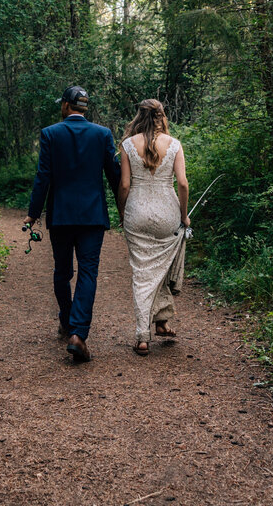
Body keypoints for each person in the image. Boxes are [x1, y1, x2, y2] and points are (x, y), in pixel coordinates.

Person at [25, 85, 121, 363]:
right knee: (88, 272)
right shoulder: (102, 134)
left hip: (62, 215)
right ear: (84, 107)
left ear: (67, 106)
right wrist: (124, 208)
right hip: (92, 216)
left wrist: (33, 213)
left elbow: (43, 177)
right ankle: (78, 333)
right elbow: (114, 177)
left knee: (62, 271)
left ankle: (67, 322)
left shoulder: (50, 134)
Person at [118, 99, 189, 356]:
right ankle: (160, 322)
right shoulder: (175, 145)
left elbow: (124, 185)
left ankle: (143, 335)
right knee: (161, 267)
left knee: (142, 272)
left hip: (137, 212)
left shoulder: (127, 144)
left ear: (139, 116)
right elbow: (182, 183)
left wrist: (122, 212)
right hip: (167, 212)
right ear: (162, 116)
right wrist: (184, 216)